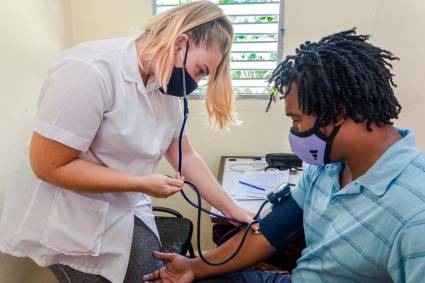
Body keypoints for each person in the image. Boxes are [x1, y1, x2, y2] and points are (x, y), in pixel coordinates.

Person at [143, 29, 425, 283]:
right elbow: (270, 232)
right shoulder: (327, 167)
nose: (294, 133)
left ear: (337, 113)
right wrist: (193, 267)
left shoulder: (415, 213)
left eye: (296, 120)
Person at [0, 2, 255, 283]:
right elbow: (48, 165)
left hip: (123, 207)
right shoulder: (90, 70)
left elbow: (185, 154)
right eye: (199, 70)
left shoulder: (164, 84)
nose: (195, 83)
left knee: (148, 273)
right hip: (67, 218)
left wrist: (232, 211)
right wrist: (142, 183)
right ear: (180, 43)